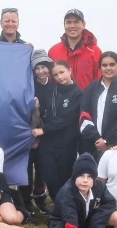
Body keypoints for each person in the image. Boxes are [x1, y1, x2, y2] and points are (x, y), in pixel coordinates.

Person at [34, 60, 84, 202]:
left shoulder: (78, 93)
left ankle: (67, 208)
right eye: (55, 75)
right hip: (47, 143)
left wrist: (43, 130)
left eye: (62, 72)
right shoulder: (51, 90)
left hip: (67, 143)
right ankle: (57, 206)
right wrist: (36, 106)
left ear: (70, 71)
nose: (59, 77)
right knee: (50, 177)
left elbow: (67, 118)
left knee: (65, 178)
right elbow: (44, 110)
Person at [79, 51, 117, 159]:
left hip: (113, 147)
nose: (108, 68)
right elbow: (84, 115)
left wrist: (106, 141)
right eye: (104, 65)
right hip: (90, 144)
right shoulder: (91, 88)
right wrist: (96, 138)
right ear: (100, 67)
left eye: (112, 64)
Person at [22, 50, 53, 212]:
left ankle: (40, 198)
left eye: (44, 67)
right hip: (29, 133)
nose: (41, 71)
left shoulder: (54, 86)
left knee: (42, 167)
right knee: (26, 168)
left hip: (46, 134)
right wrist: (31, 106)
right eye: (37, 68)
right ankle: (26, 202)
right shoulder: (28, 86)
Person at [47, 9, 102, 89]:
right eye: (68, 22)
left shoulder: (95, 52)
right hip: (60, 100)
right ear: (64, 25)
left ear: (83, 24)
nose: (72, 26)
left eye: (76, 22)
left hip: (87, 100)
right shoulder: (53, 51)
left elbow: (100, 81)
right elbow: (49, 80)